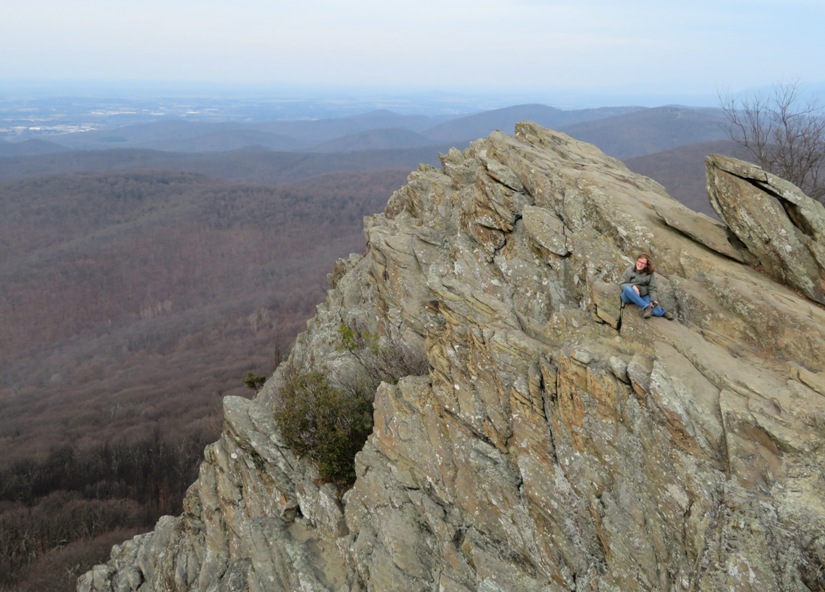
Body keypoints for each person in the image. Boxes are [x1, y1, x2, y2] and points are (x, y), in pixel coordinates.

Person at [619, 254, 674, 320]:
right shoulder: (630, 270)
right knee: (628, 288)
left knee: (654, 311)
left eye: (642, 263)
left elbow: (652, 288)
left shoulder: (650, 273)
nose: (640, 264)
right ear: (636, 261)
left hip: (643, 295)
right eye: (639, 261)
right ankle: (646, 307)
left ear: (646, 265)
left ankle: (663, 312)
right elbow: (621, 284)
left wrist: (653, 300)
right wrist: (632, 286)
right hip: (629, 295)